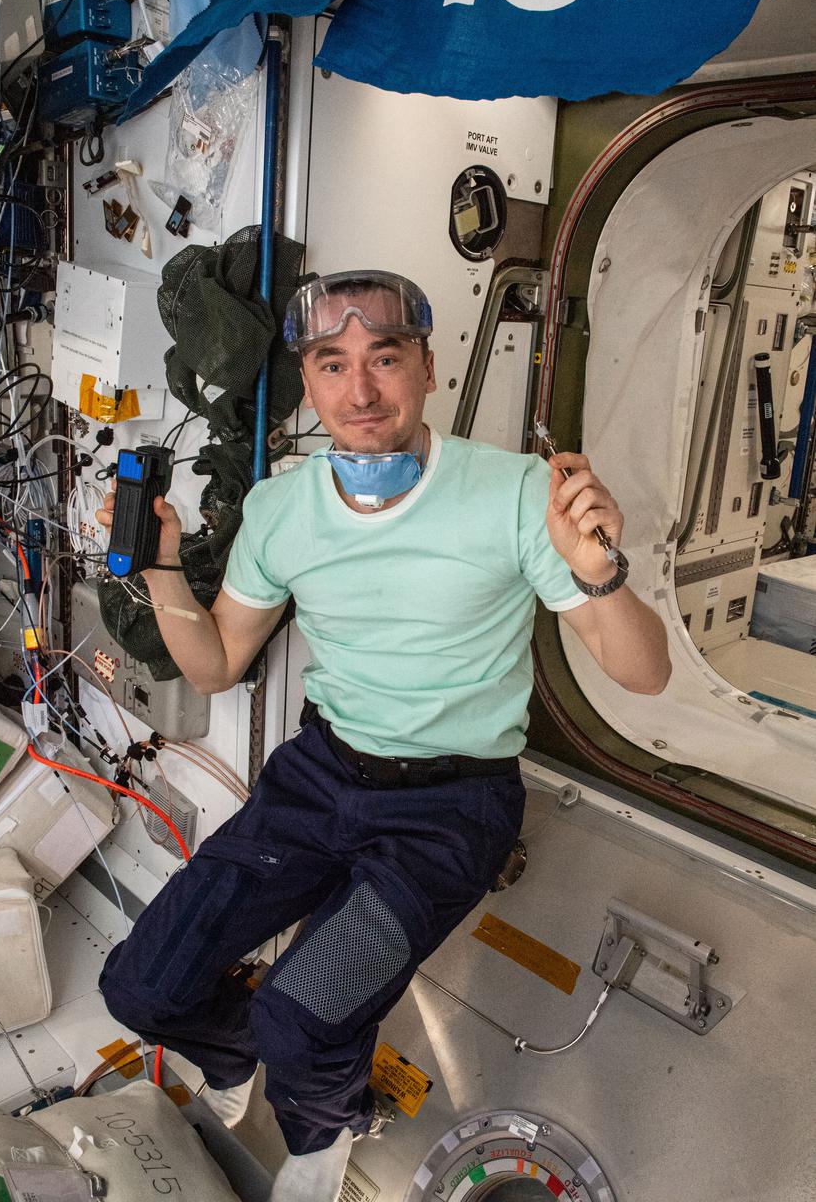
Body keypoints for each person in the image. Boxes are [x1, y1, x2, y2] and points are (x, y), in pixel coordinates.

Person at [97, 270, 671, 1202]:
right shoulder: (281, 509)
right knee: (142, 989)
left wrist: (599, 570)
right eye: (332, 365)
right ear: (309, 382)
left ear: (428, 369)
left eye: (384, 359)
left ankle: (324, 1120)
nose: (360, 392)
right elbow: (214, 666)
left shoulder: (518, 495)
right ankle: (235, 1049)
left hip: (451, 805)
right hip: (318, 780)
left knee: (303, 1017)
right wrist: (162, 566)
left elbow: (644, 673)